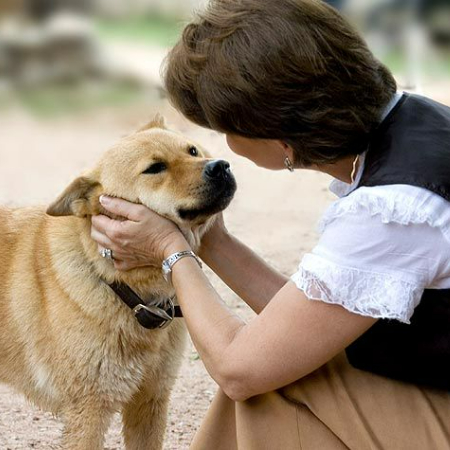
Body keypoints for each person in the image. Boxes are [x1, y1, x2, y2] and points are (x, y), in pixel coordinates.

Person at [90, 0, 450, 448]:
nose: (221, 147)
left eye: (224, 128)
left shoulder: (395, 209)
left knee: (259, 381)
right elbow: (306, 324)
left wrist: (171, 250)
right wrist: (210, 239)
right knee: (277, 364)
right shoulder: (415, 129)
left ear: (277, 132)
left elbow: (239, 370)